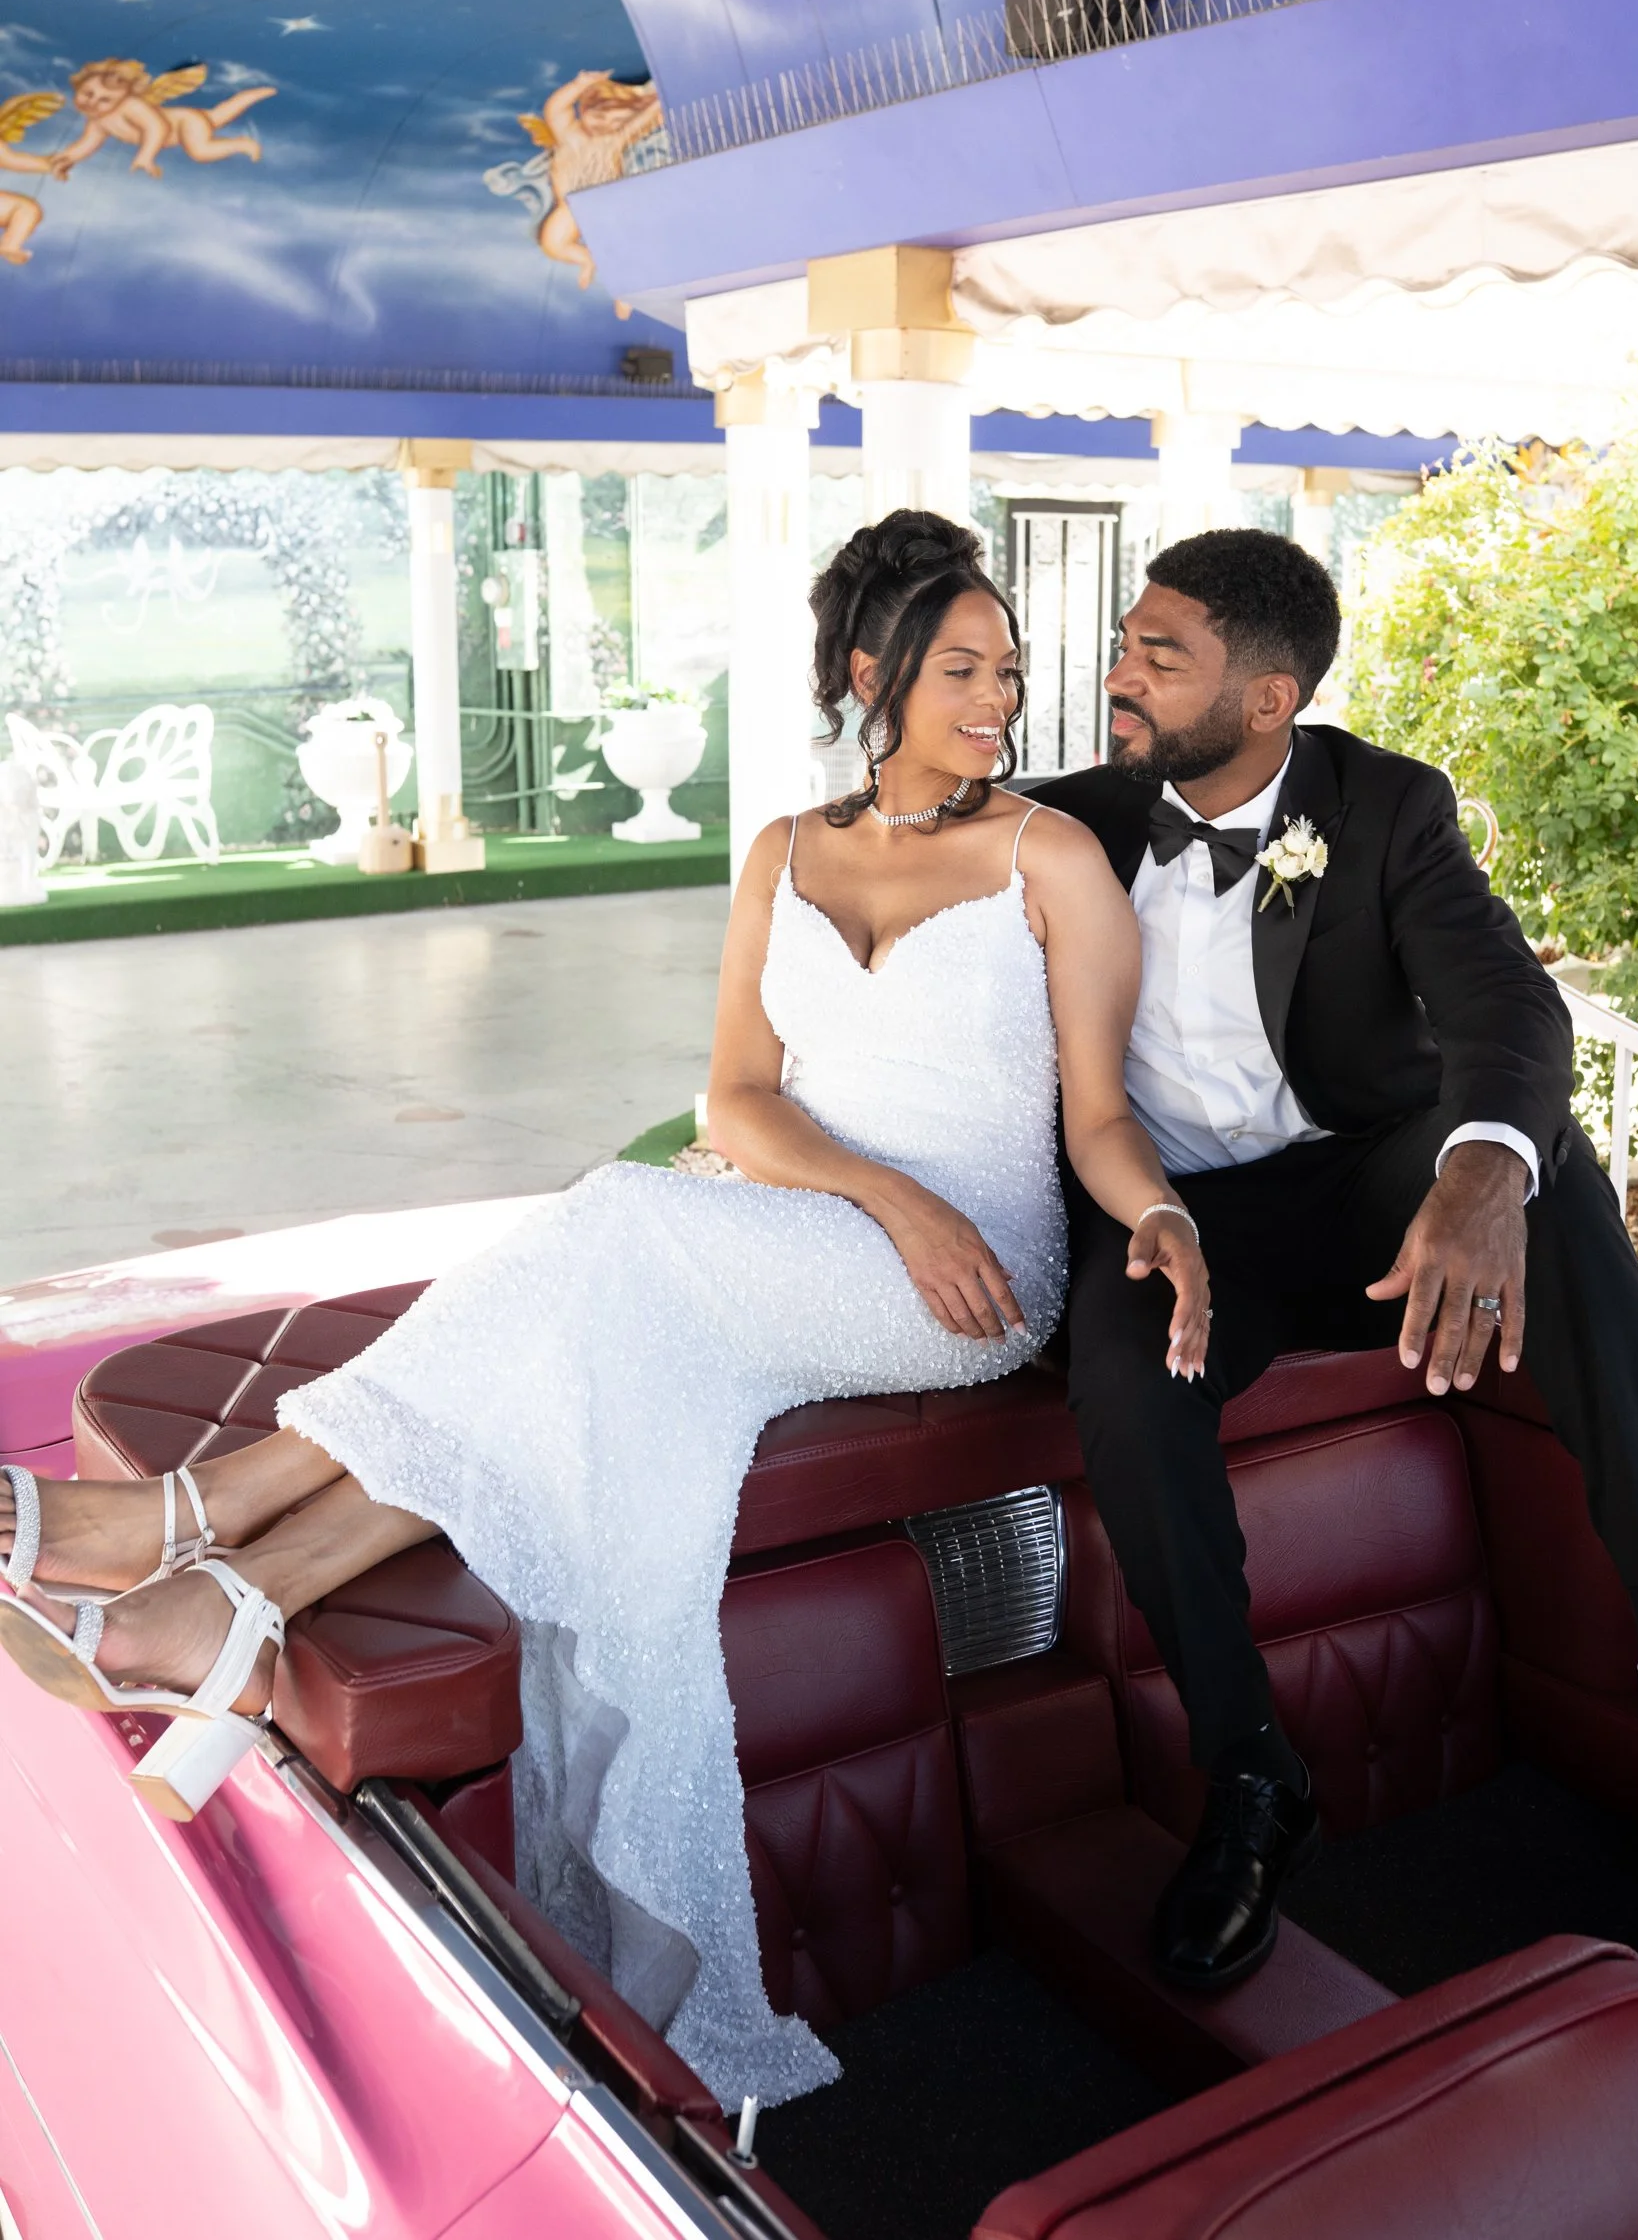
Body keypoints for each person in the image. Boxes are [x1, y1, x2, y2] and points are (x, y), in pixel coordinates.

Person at [0, 509, 1207, 2111]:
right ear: (871, 675)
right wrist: (879, 1192)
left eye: (1009, 669)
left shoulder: (1047, 856)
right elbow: (741, 1097)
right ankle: (236, 1598)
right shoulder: (784, 850)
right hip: (810, 1226)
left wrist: (1158, 1217)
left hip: (970, 1279)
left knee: (614, 1223)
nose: (999, 698)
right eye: (962, 670)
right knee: (584, 1334)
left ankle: (196, 1520)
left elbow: (1099, 1118)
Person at [1030, 526, 1638, 1995]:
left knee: (1543, 1171)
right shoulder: (1066, 825)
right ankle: (1254, 1778)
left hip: (1364, 1181)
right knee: (1122, 1367)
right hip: (1179, 1216)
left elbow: (1506, 1004)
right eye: (1126, 643)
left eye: (1157, 656)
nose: (1118, 674)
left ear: (1269, 700)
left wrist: (1480, 1172)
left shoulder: (1384, 805)